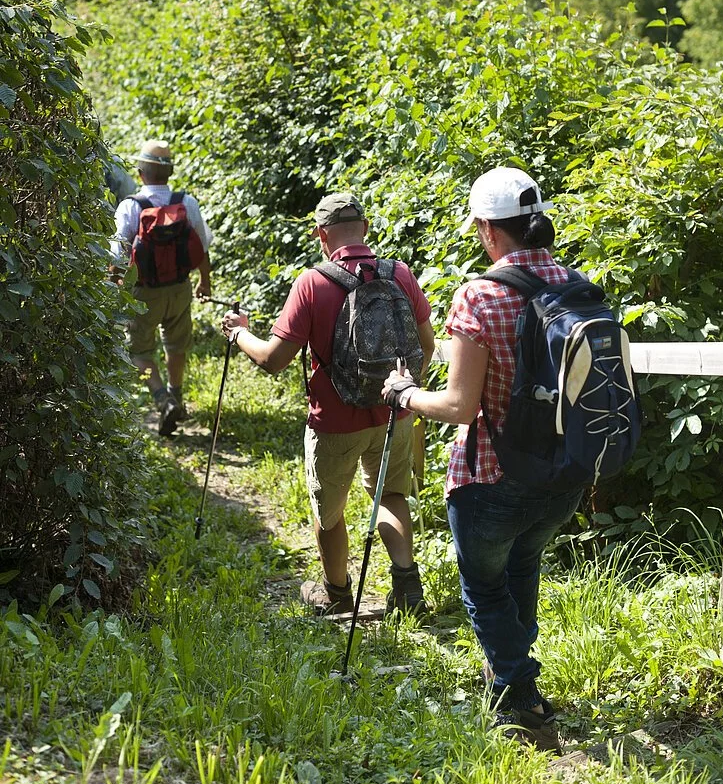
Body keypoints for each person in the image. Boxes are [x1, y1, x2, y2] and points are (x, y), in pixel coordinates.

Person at [382, 166, 584, 750]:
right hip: (563, 474)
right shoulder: (573, 284)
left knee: (484, 584)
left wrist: (404, 394)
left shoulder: (481, 294)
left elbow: (461, 405)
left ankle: (521, 699)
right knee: (521, 567)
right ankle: (511, 673)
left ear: (487, 230)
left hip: (492, 476)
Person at [222, 191, 436, 617]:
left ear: (322, 235)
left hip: (334, 421)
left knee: (330, 514)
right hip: (395, 412)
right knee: (391, 495)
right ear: (367, 229)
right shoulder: (401, 275)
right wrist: (402, 391)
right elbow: (426, 346)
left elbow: (273, 360)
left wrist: (238, 333)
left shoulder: (313, 282)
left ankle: (337, 593)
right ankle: (408, 587)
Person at [113, 139, 212, 436]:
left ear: (141, 172)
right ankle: (177, 395)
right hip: (180, 289)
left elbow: (117, 253)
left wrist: (115, 284)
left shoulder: (131, 206)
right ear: (169, 173)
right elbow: (203, 247)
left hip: (143, 292)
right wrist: (204, 281)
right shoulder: (186, 202)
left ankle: (162, 400)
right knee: (176, 344)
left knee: (140, 351)